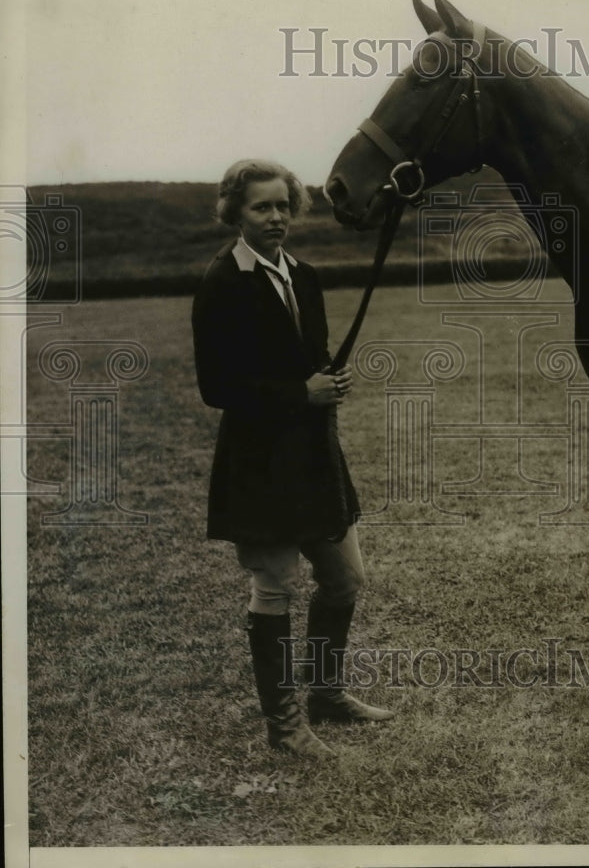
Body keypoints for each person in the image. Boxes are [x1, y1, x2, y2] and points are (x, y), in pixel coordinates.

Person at [192, 159, 393, 758]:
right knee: (275, 586)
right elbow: (216, 386)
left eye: (283, 206)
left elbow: (311, 355)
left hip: (312, 455)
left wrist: (329, 375)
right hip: (259, 462)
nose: (276, 217)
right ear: (235, 212)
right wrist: (297, 393)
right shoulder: (222, 282)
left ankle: (325, 695)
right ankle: (284, 727)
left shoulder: (303, 275)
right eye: (261, 207)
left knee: (345, 578)